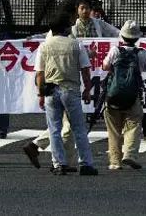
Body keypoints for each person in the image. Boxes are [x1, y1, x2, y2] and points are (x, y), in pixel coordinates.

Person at [34, 13, 98, 176]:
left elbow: (40, 73)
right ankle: (86, 163)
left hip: (50, 88)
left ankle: (59, 164)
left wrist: (40, 94)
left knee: (54, 128)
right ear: (65, 28)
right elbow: (85, 70)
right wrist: (87, 90)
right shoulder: (76, 45)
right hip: (70, 89)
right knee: (79, 129)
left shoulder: (45, 46)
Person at [23, 0, 82, 171]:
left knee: (62, 124)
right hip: (63, 83)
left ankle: (65, 160)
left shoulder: (53, 33)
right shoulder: (65, 36)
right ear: (70, 16)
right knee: (67, 126)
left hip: (51, 83)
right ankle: (60, 160)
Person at [102, 20, 146, 170]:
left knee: (114, 129)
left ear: (122, 36)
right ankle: (129, 154)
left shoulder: (115, 51)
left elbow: (105, 66)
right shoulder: (142, 53)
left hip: (113, 95)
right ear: (137, 38)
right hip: (132, 95)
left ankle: (115, 162)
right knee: (134, 123)